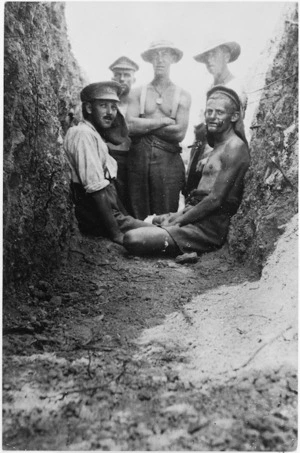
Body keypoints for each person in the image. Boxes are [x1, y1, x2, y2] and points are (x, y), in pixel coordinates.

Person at [123, 86, 250, 257]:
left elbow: (215, 199)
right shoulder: (218, 146)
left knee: (132, 238)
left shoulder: (234, 147)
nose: (212, 117)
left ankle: (168, 231)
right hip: (195, 213)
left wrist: (179, 220)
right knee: (142, 223)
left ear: (234, 116)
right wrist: (178, 216)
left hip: (209, 225)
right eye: (209, 111)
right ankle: (164, 227)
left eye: (219, 113)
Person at [64, 81, 153, 245]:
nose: (110, 112)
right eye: (103, 106)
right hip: (94, 215)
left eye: (113, 107)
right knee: (159, 233)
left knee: (160, 227)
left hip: (108, 214)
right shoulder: (82, 134)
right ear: (89, 109)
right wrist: (116, 234)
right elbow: (97, 190)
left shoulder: (94, 135)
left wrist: (125, 218)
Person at [126, 40, 191, 220]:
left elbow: (179, 133)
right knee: (138, 215)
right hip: (138, 160)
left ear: (173, 58)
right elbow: (130, 126)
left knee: (165, 216)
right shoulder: (137, 93)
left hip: (168, 162)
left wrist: (144, 123)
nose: (160, 59)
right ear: (150, 60)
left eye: (165, 54)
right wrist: (164, 121)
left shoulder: (183, 95)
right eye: (156, 55)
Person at [185, 39, 248, 196]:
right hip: (199, 153)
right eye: (206, 58)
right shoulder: (209, 89)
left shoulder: (235, 88)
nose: (209, 62)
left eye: (213, 56)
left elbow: (237, 131)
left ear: (226, 56)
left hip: (218, 161)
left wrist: (212, 157)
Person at [107, 56, 139, 212]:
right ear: (112, 77)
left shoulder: (139, 103)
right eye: (118, 74)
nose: (122, 79)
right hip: (111, 156)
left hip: (134, 158)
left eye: (127, 75)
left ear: (134, 78)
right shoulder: (106, 103)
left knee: (133, 201)